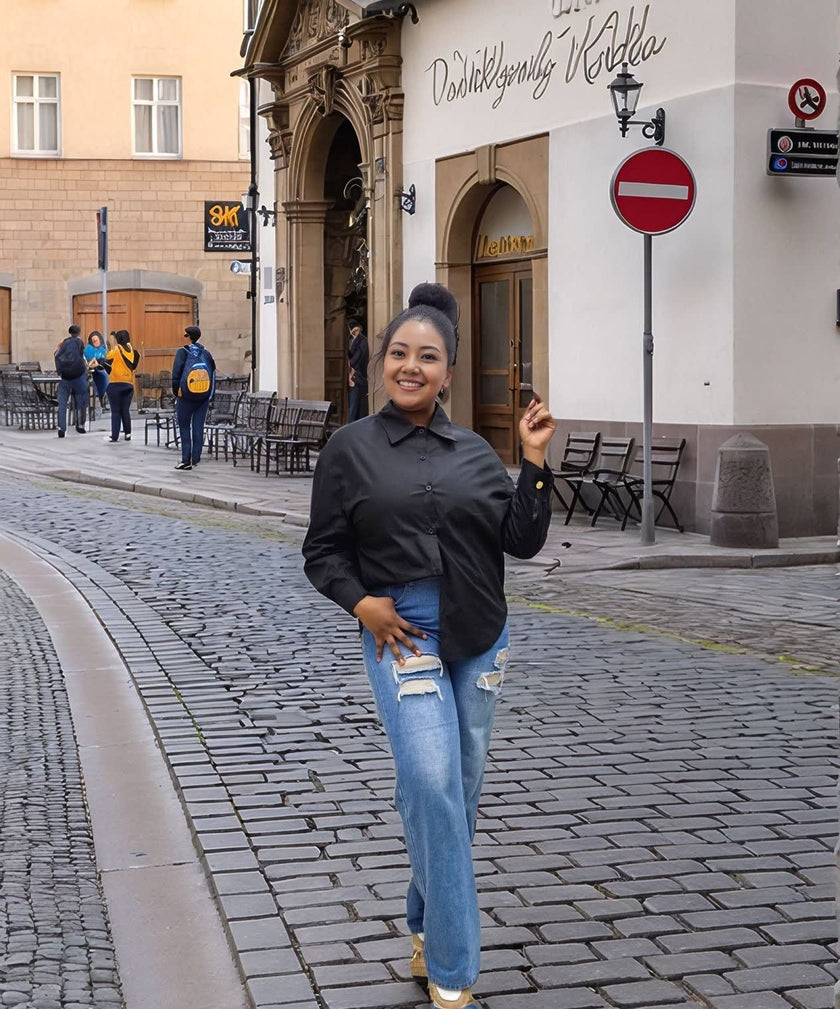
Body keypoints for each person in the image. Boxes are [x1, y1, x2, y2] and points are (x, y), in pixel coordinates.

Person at [302, 284, 556, 1009]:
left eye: (428, 357)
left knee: (454, 790)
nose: (410, 366)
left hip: (480, 631)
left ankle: (422, 920)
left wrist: (533, 460)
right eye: (399, 353)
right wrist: (363, 604)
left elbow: (522, 541)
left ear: (448, 371)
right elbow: (322, 552)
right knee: (432, 778)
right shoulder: (349, 449)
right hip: (401, 628)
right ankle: (453, 969)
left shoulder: (474, 452)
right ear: (382, 361)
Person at [171, 325, 216, 471]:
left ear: (189, 337)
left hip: (186, 396)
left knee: (184, 427)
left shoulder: (182, 352)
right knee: (198, 427)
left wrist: (176, 392)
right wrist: (209, 394)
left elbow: (176, 374)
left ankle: (186, 460)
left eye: (186, 335)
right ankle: (196, 458)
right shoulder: (206, 353)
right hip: (203, 396)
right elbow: (212, 372)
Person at [102, 329, 140, 443]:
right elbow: (134, 366)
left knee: (115, 411)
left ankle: (115, 436)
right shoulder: (134, 352)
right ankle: (128, 434)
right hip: (129, 384)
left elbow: (107, 361)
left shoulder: (116, 350)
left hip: (115, 384)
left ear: (118, 340)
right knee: (125, 410)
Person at [54, 324, 88, 438]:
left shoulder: (64, 342)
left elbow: (57, 354)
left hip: (65, 377)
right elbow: (82, 356)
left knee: (62, 403)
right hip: (78, 376)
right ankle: (80, 424)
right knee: (80, 399)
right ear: (78, 332)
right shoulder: (79, 342)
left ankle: (61, 428)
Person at [347, 318, 369, 423]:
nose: (355, 332)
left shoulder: (363, 341)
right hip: (355, 377)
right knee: (353, 404)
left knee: (356, 405)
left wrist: (351, 373)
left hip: (359, 377)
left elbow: (358, 358)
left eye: (356, 330)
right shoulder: (352, 341)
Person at [84, 331, 109, 409]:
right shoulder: (88, 349)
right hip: (91, 371)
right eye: (94, 341)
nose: (96, 342)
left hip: (101, 370)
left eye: (97, 340)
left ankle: (103, 400)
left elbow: (104, 359)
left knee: (105, 376)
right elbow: (90, 362)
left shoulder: (103, 349)